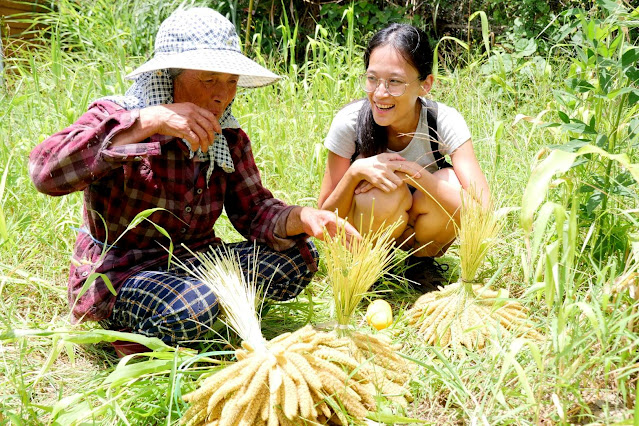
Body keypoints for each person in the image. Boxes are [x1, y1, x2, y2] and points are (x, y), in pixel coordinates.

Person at [29, 7, 359, 355]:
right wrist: (148, 121)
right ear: (171, 75)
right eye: (209, 80)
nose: (223, 95)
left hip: (196, 262)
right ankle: (132, 328)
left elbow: (254, 211)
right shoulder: (121, 119)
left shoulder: (226, 138)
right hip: (123, 271)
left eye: (231, 81)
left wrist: (303, 217)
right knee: (193, 306)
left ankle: (202, 313)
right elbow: (45, 172)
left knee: (298, 257)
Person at [318, 23, 489, 290]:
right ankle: (373, 264)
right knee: (382, 192)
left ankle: (420, 263)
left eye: (395, 82)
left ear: (425, 84)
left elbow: (482, 211)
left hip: (421, 225)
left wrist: (415, 174)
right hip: (372, 228)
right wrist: (355, 173)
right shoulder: (349, 123)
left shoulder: (443, 122)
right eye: (372, 79)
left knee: (451, 182)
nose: (380, 93)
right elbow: (324, 216)